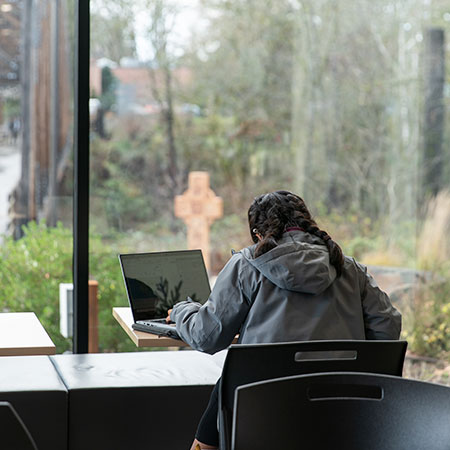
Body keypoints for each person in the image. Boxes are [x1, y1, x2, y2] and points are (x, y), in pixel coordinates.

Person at [167, 190, 402, 450]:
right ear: (308, 225)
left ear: (258, 234)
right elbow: (387, 330)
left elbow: (206, 336)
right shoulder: (349, 268)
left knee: (227, 384)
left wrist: (182, 311)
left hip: (260, 409)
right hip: (342, 406)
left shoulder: (246, 266)